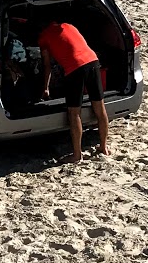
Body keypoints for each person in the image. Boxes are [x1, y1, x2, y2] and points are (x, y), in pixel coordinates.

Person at [38, 19, 109, 161]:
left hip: (74, 68)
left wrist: (45, 88)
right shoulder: (69, 26)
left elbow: (47, 66)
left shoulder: (43, 37)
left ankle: (77, 155)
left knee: (74, 112)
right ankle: (103, 147)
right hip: (93, 61)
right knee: (100, 108)